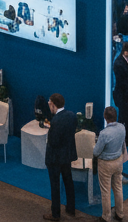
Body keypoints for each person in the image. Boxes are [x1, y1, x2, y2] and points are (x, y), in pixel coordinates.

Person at [43, 91, 77, 219]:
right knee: (69, 182)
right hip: (67, 156)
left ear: (53, 105)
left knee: (55, 186)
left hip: (55, 159)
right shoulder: (72, 116)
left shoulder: (55, 121)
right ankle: (71, 208)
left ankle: (55, 214)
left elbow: (53, 142)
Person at [94, 105, 127, 222]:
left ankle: (106, 217)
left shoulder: (104, 133)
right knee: (118, 188)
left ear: (105, 117)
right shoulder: (122, 127)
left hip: (106, 164)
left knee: (105, 191)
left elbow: (96, 152)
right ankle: (120, 214)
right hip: (118, 162)